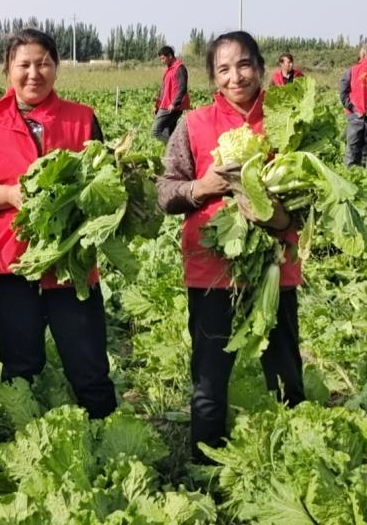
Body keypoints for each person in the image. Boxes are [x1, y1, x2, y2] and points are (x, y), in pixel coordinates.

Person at [0, 28, 117, 419]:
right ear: (8, 69)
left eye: (43, 63)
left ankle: (106, 430)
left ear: (56, 67)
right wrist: (4, 196)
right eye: (23, 64)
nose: (33, 73)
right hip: (8, 260)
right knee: (19, 363)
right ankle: (23, 436)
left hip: (71, 263)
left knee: (88, 361)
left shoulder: (82, 118)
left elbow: (108, 184)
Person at [156, 30, 303, 462]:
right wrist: (201, 187)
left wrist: (275, 217)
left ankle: (295, 453)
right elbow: (165, 193)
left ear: (260, 67)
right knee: (209, 376)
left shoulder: (287, 121)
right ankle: (205, 464)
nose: (235, 76)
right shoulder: (194, 123)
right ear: (213, 78)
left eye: (243, 65)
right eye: (223, 69)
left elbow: (309, 201)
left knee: (285, 370)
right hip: (211, 268)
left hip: (274, 267)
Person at [153, 45, 190, 142]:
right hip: (165, 104)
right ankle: (178, 150)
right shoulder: (168, 70)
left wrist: (174, 103)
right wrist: (156, 105)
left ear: (170, 56)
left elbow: (182, 88)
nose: (162, 61)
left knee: (156, 131)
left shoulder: (180, 68)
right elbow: (163, 89)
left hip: (173, 106)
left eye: (163, 58)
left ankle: (174, 147)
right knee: (171, 131)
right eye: (161, 59)